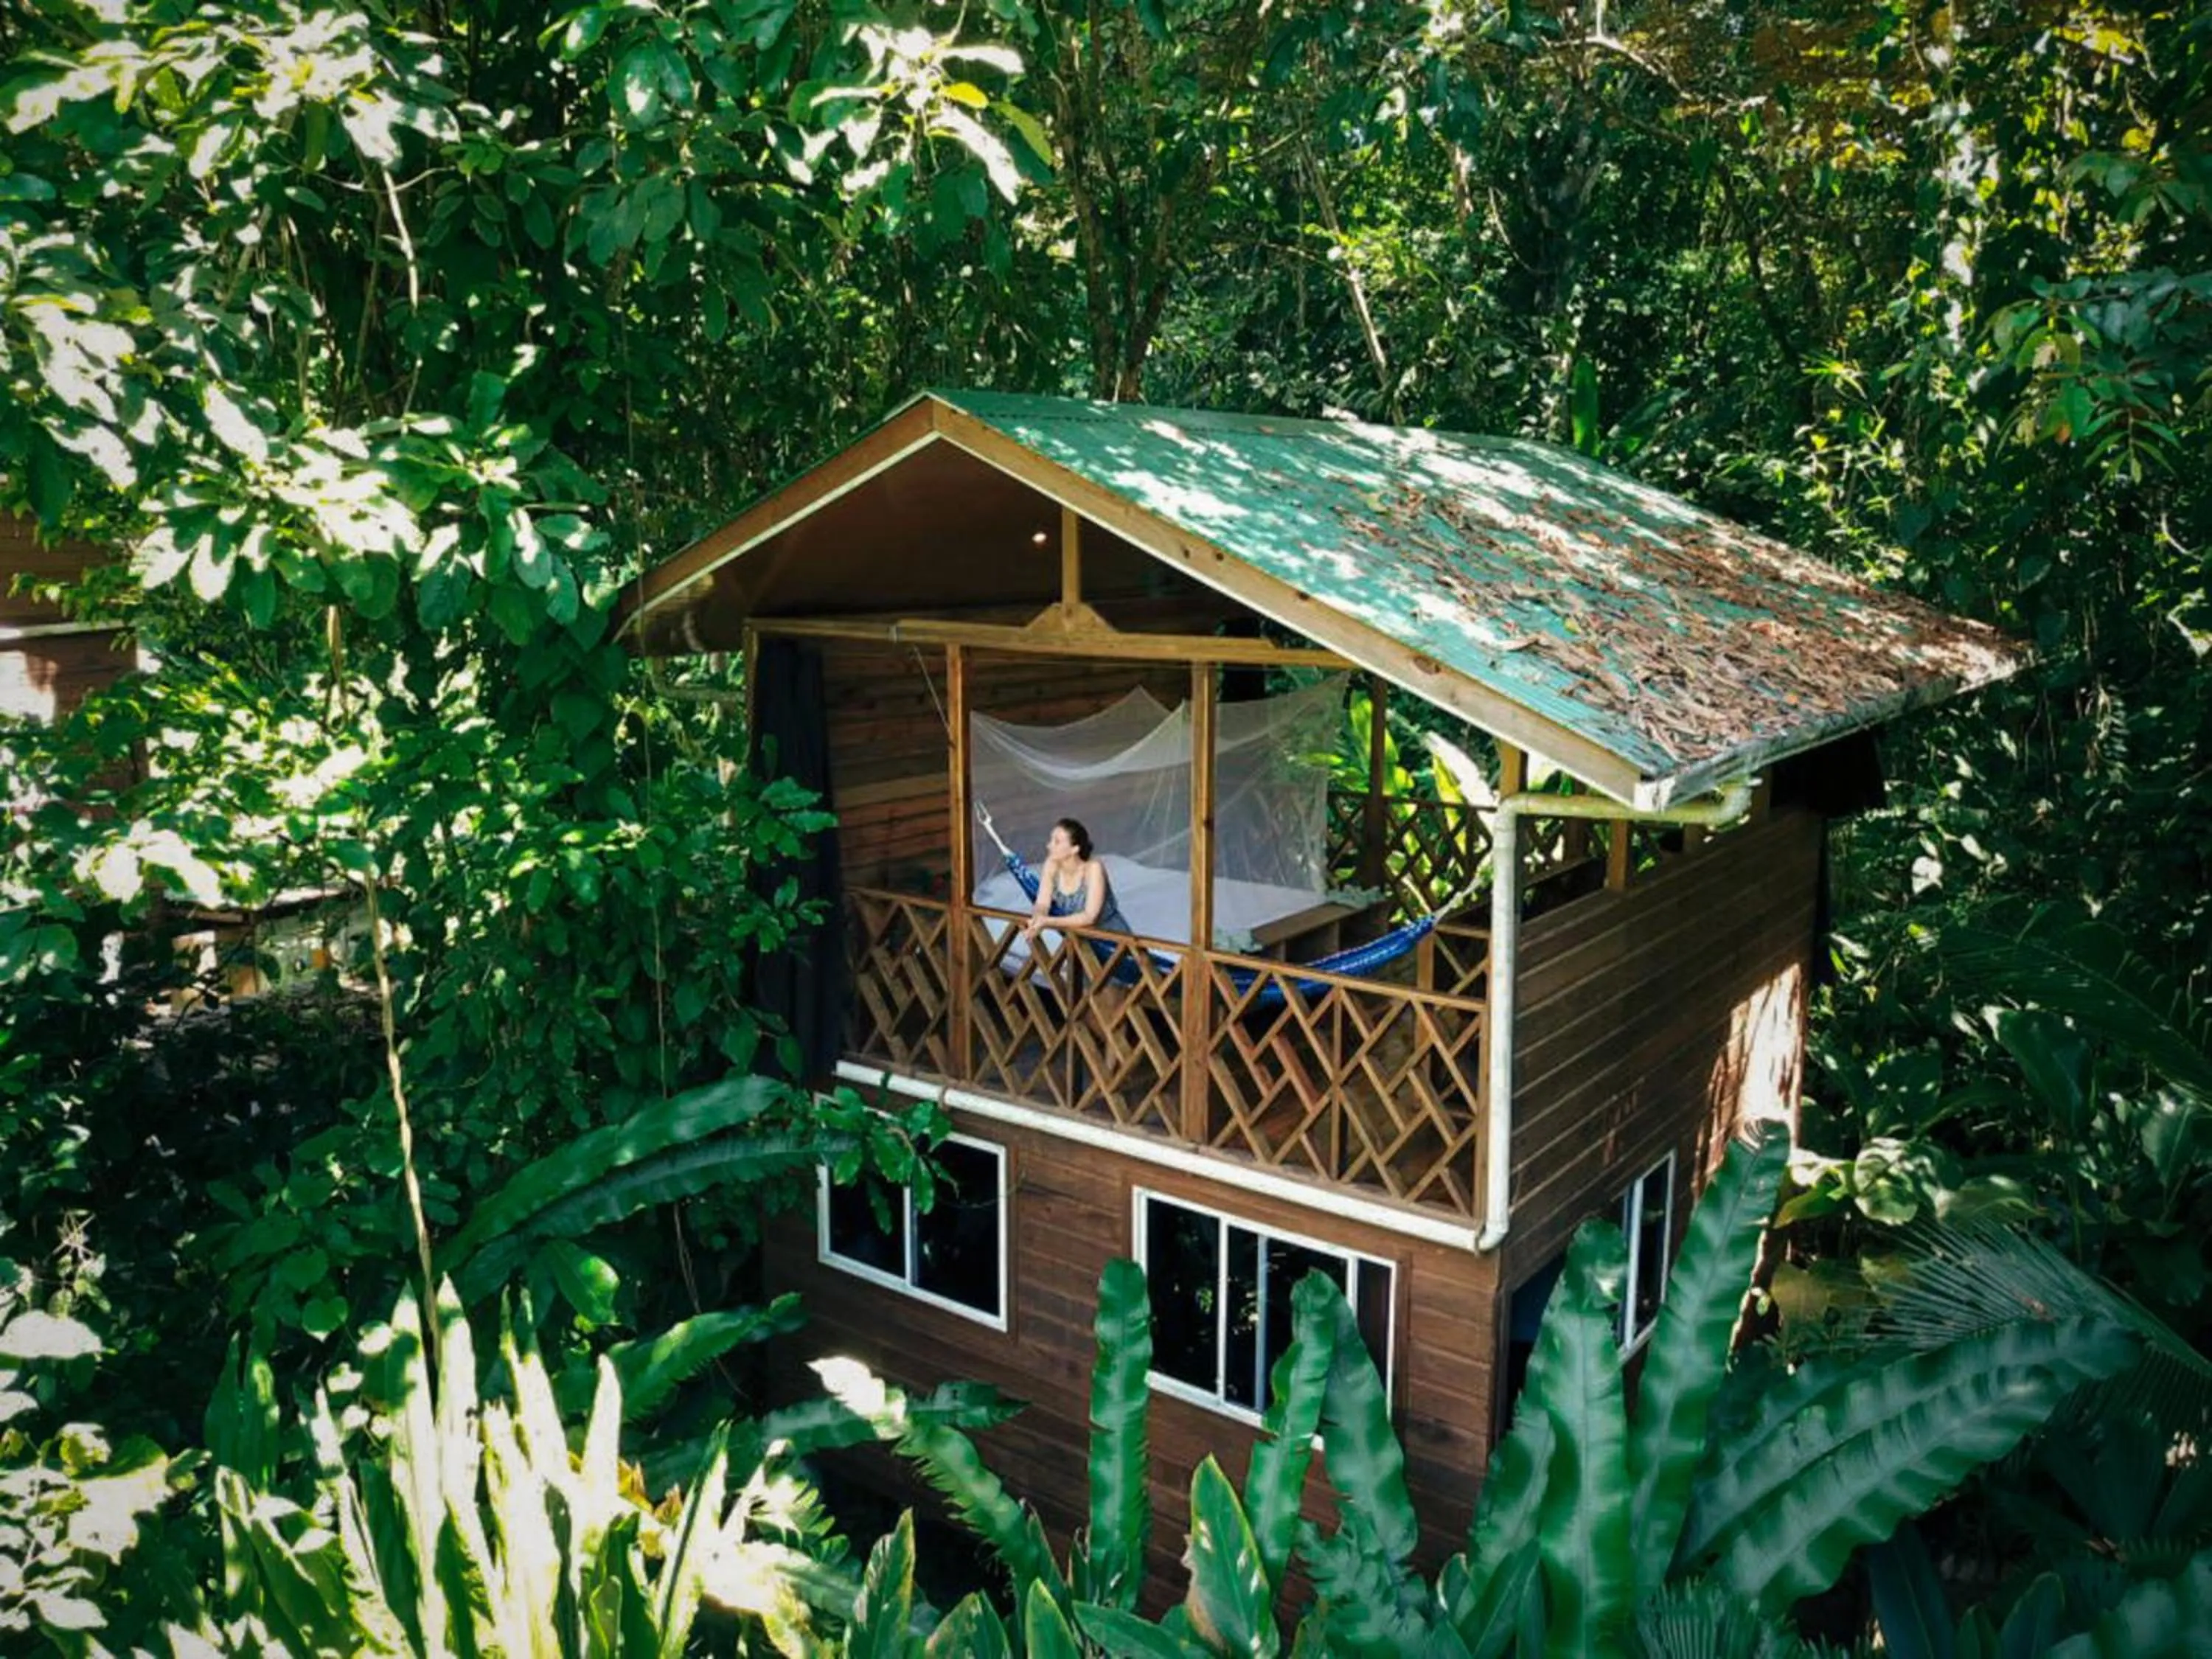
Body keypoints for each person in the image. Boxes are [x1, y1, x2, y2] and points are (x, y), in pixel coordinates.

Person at [1020, 817, 1131, 945]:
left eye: (1057, 842)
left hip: (1112, 941)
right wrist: (1037, 919)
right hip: (1079, 941)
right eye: (1051, 840)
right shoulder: (1051, 865)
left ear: (1075, 849)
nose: (1049, 845)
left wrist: (1047, 922)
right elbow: (1042, 903)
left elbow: (1090, 917)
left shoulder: (1093, 868)